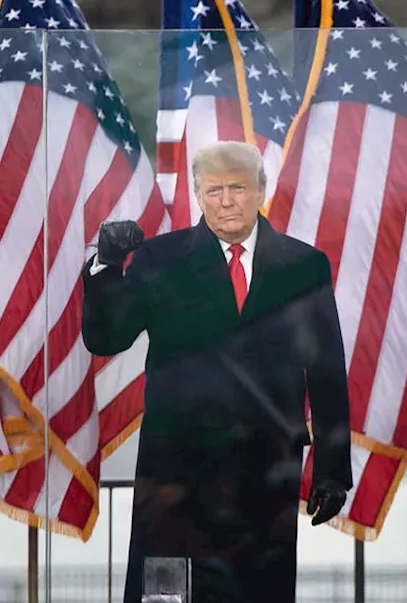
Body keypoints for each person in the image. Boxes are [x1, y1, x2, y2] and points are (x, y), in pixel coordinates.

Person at [81, 141, 352, 603]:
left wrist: (332, 471)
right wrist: (106, 267)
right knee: (168, 593)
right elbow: (107, 339)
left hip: (266, 472)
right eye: (214, 190)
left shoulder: (304, 266)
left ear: (261, 190)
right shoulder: (160, 260)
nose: (226, 200)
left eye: (238, 188)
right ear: (198, 194)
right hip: (176, 476)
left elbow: (326, 372)